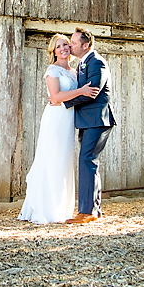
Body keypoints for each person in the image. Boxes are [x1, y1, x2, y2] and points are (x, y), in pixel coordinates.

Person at [18, 34, 99, 224]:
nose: (63, 48)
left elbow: (67, 98)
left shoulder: (74, 71)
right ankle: (46, 209)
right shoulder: (52, 70)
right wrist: (80, 91)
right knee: (52, 158)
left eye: (66, 44)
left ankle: (62, 208)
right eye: (59, 46)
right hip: (55, 119)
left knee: (64, 161)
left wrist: (76, 95)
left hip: (69, 119)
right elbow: (55, 96)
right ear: (53, 51)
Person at [63, 27, 116, 225]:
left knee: (87, 160)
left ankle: (87, 212)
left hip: (97, 120)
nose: (70, 45)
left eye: (74, 43)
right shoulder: (83, 64)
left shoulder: (97, 62)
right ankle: (95, 209)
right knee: (89, 163)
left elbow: (91, 92)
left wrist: (63, 103)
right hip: (87, 121)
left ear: (86, 45)